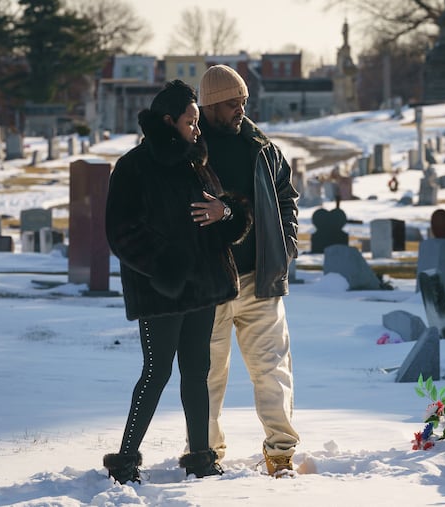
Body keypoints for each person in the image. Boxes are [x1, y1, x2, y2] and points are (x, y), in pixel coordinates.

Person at [102, 79, 251, 484]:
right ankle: (127, 458)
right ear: (169, 121)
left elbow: (220, 215)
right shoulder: (133, 166)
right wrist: (167, 267)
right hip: (161, 292)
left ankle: (201, 456)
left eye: (198, 122)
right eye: (191, 121)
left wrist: (228, 214)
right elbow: (121, 232)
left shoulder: (195, 162)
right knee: (157, 371)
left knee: (197, 370)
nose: (197, 129)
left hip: (202, 288)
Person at [198, 64, 300, 477]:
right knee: (207, 377)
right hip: (208, 283)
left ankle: (281, 453)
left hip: (259, 279)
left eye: (243, 101)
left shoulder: (262, 147)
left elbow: (286, 198)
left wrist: (285, 246)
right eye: (230, 103)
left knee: (273, 371)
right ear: (208, 106)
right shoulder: (191, 150)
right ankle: (205, 454)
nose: (240, 109)